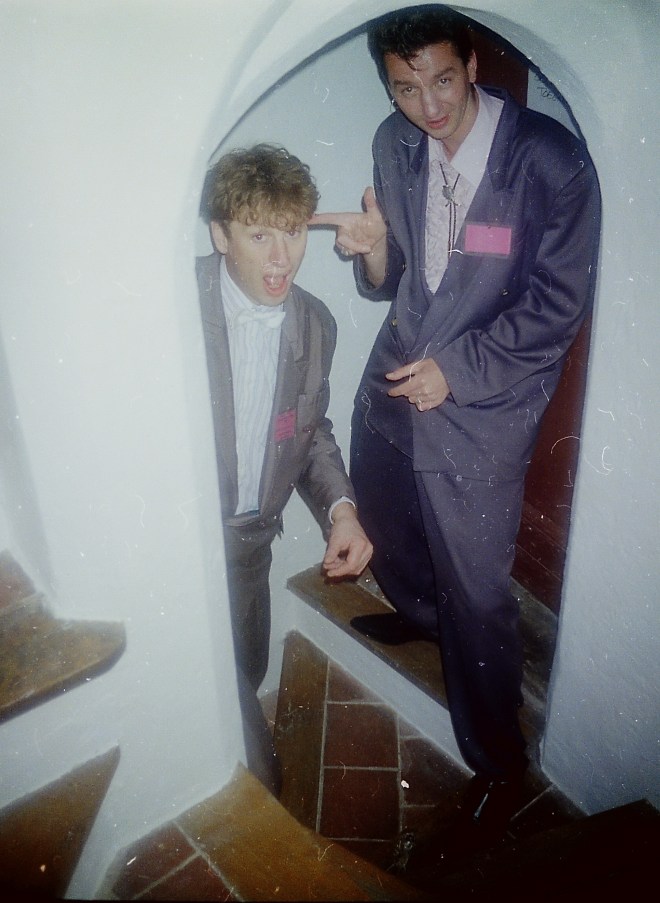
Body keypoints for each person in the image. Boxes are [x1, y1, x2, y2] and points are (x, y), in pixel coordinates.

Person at [311, 5, 600, 854]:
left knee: (479, 593)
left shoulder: (549, 160)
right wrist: (372, 252)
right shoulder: (393, 143)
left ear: (472, 63)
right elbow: (394, 277)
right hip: (398, 374)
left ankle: (500, 764)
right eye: (405, 88)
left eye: (442, 80)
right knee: (388, 509)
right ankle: (421, 611)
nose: (428, 106)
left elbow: (556, 307)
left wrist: (459, 371)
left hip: (483, 403)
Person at [197, 144, 372, 796]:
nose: (281, 258)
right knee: (247, 765)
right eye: (259, 234)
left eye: (293, 232)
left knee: (246, 672)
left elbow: (310, 429)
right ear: (221, 235)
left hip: (249, 552)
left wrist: (342, 510)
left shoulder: (315, 324)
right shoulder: (168, 303)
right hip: (173, 556)